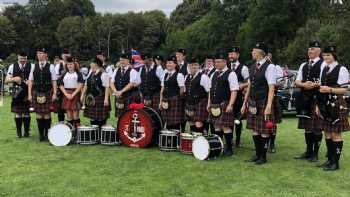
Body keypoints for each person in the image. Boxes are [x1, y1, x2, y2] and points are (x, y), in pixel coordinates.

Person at [241, 43, 277, 165]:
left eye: (253, 50)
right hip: (252, 102)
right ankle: (257, 153)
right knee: (255, 130)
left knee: (264, 131)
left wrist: (268, 106)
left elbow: (271, 87)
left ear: (260, 52)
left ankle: (263, 156)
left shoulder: (270, 67)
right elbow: (250, 86)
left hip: (263, 102)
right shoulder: (252, 67)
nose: (252, 52)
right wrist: (244, 103)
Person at [317, 46, 349, 171]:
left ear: (334, 55)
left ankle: (335, 163)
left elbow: (345, 89)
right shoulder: (325, 68)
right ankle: (330, 160)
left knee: (336, 134)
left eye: (328, 55)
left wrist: (330, 89)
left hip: (337, 104)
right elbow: (321, 86)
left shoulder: (341, 69)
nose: (326, 57)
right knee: (327, 133)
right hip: (325, 104)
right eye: (324, 55)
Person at [294, 41, 324, 162]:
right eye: (308, 49)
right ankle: (308, 151)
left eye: (312, 49)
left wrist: (315, 84)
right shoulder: (303, 65)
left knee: (317, 128)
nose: (309, 51)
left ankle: (315, 154)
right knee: (307, 127)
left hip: (317, 99)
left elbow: (325, 82)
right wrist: (304, 84)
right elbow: (297, 81)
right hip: (305, 99)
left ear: (319, 51)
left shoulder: (323, 64)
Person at [208, 53, 239, 156]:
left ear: (225, 62)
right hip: (214, 104)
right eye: (215, 62)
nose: (216, 64)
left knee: (226, 126)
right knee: (217, 126)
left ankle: (229, 148)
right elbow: (210, 90)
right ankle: (219, 146)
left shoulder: (231, 74)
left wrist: (231, 104)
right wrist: (209, 103)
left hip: (224, 103)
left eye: (219, 62)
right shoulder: (214, 73)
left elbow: (234, 90)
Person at [28, 48, 58, 141]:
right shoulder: (33, 66)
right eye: (38, 53)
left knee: (47, 114)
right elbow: (30, 81)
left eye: (41, 53)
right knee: (39, 114)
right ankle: (41, 135)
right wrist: (29, 94)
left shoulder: (51, 66)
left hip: (48, 91)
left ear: (45, 55)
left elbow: (54, 81)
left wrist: (55, 93)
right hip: (36, 92)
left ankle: (47, 134)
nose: (39, 55)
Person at [5, 51, 32, 138]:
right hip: (16, 91)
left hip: (27, 90)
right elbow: (6, 80)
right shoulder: (12, 66)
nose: (23, 60)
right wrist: (14, 79)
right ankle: (19, 133)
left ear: (26, 58)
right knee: (18, 113)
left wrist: (31, 82)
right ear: (18, 57)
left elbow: (35, 78)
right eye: (21, 58)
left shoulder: (32, 66)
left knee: (27, 112)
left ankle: (27, 132)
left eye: (24, 59)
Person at [228, 46, 249, 147]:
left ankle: (238, 139)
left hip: (239, 98)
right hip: (228, 97)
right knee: (229, 118)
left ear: (238, 55)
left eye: (232, 54)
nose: (230, 56)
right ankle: (230, 138)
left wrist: (242, 85)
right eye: (229, 54)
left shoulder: (243, 68)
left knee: (237, 119)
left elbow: (249, 83)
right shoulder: (226, 67)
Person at [81, 58, 111, 128]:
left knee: (101, 118)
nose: (90, 64)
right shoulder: (91, 72)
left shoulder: (104, 74)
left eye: (92, 63)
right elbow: (86, 84)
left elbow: (107, 87)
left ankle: (101, 133)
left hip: (100, 97)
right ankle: (94, 134)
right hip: (90, 98)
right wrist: (82, 94)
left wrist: (106, 99)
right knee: (92, 117)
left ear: (96, 65)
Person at [110, 53, 141, 118]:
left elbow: (131, 83)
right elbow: (111, 82)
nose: (122, 62)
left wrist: (121, 92)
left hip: (129, 96)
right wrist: (116, 91)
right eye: (121, 60)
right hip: (119, 97)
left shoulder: (132, 71)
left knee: (129, 116)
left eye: (124, 60)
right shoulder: (116, 70)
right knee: (119, 117)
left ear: (128, 61)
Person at [185, 57, 211, 133]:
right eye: (191, 65)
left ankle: (200, 139)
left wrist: (208, 104)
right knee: (190, 121)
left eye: (195, 65)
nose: (193, 67)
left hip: (200, 103)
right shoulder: (187, 77)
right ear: (188, 66)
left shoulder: (203, 77)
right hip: (190, 102)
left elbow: (209, 91)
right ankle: (194, 139)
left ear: (199, 66)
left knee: (198, 122)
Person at [159, 55, 185, 130]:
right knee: (167, 123)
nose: (168, 64)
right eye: (167, 63)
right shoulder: (165, 74)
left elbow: (182, 90)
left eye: (170, 63)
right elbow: (162, 89)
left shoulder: (179, 75)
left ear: (175, 64)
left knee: (175, 124)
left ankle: (175, 141)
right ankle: (169, 141)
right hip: (165, 102)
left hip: (175, 101)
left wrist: (176, 98)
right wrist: (160, 102)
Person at [58, 57, 84, 130]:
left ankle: (77, 132)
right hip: (66, 94)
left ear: (74, 65)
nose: (70, 65)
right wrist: (66, 94)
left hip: (75, 94)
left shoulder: (78, 74)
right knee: (69, 115)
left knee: (75, 115)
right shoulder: (64, 74)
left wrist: (73, 94)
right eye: (68, 64)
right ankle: (70, 132)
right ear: (66, 65)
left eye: (71, 64)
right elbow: (60, 84)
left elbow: (80, 85)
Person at [267, 51, 284, 153]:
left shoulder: (276, 67)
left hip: (273, 98)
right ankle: (263, 143)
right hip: (262, 98)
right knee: (262, 122)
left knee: (272, 123)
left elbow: (281, 83)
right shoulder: (258, 68)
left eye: (268, 56)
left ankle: (272, 143)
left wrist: (271, 84)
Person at [54, 49, 71, 122]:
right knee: (60, 110)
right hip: (61, 89)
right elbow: (55, 77)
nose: (66, 56)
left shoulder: (73, 63)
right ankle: (61, 126)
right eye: (64, 54)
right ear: (62, 55)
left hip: (70, 89)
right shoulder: (58, 65)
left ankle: (71, 126)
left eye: (67, 54)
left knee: (70, 108)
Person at [202, 55, 216, 134]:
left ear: (213, 62)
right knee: (204, 118)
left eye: (210, 61)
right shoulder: (202, 71)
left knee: (212, 119)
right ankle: (205, 134)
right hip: (203, 99)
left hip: (211, 97)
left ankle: (213, 135)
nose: (208, 63)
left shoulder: (215, 71)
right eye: (207, 61)